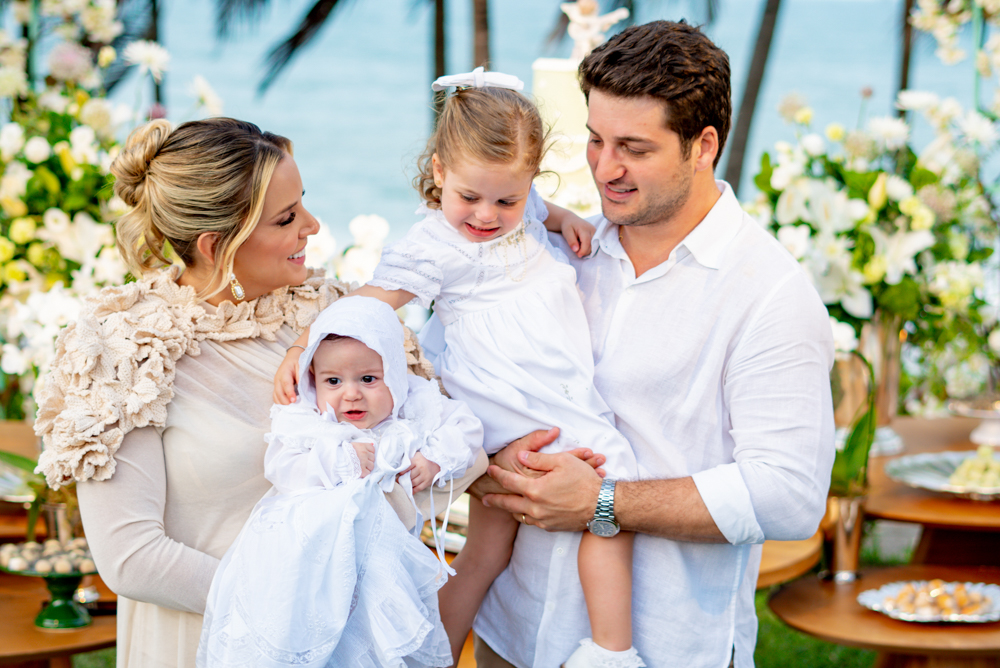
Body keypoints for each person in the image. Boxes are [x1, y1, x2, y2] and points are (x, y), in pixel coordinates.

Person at [33, 118, 488, 668]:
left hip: (353, 641)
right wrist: (295, 612)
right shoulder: (124, 350)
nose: (314, 227)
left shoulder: (337, 318)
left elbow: (447, 445)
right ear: (217, 244)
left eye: (304, 205)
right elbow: (132, 559)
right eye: (287, 217)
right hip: (205, 639)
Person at [469, 21, 836, 668]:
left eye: (634, 148)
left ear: (703, 146)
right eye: (595, 139)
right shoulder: (555, 250)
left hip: (666, 646)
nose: (605, 168)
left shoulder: (770, 294)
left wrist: (603, 504)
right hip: (512, 628)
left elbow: (789, 495)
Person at [274, 69, 645, 667]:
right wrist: (302, 345)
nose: (486, 214)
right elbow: (370, 301)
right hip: (508, 396)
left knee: (486, 548)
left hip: (534, 391)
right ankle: (612, 650)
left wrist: (564, 219)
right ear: (440, 169)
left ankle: (432, 656)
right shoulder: (434, 246)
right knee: (614, 482)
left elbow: (541, 210)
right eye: (469, 196)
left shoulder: (524, 209)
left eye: (508, 199)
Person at [198, 296, 484, 667]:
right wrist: (340, 461)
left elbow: (466, 427)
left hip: (382, 564)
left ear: (395, 374)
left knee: (377, 641)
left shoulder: (415, 406)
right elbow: (283, 469)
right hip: (305, 561)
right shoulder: (309, 422)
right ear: (314, 381)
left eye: (368, 379)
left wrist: (432, 461)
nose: (351, 393)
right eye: (334, 381)